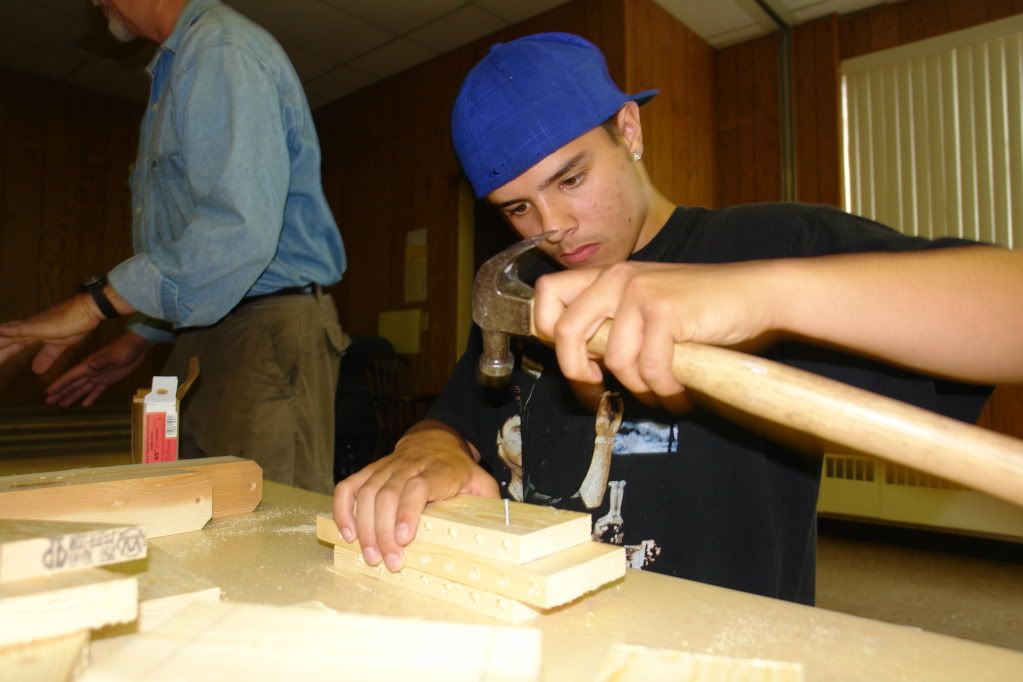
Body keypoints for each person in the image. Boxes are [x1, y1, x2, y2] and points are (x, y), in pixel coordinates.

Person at [333, 32, 1018, 604]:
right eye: (517, 208)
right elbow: (461, 415)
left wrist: (763, 297)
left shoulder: (767, 245)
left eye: (570, 180)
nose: (554, 228)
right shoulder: (527, 291)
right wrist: (429, 449)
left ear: (628, 130)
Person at [0, 0, 349, 495]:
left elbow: (237, 233)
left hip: (260, 331)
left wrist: (95, 303)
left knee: (262, 536)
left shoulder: (221, 50)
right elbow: (197, 246)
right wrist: (141, 338)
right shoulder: (180, 64)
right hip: (210, 333)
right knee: (196, 516)